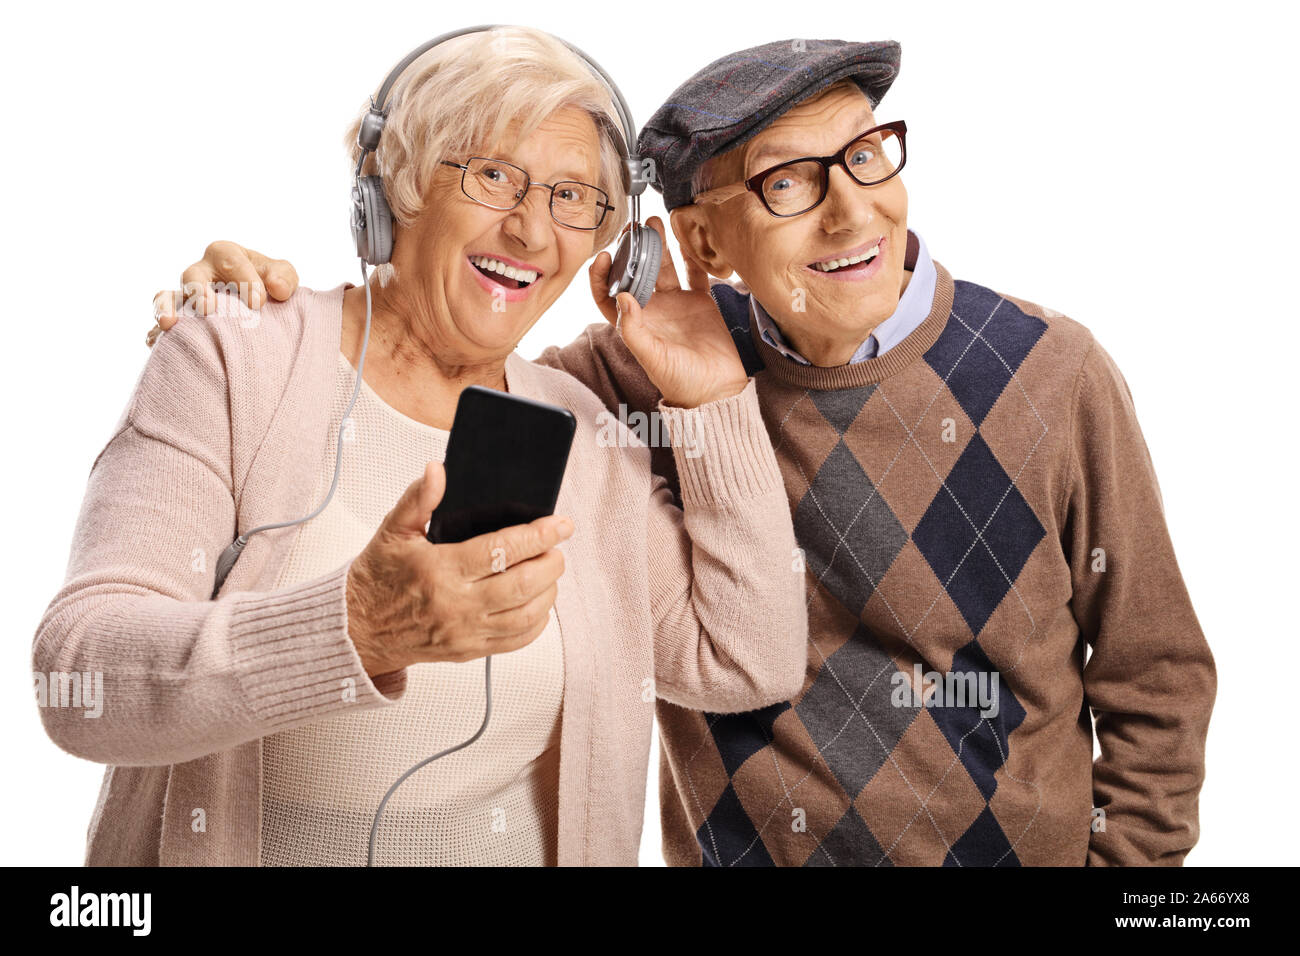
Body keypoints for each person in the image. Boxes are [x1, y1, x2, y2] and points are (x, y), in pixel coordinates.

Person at [151, 38, 1216, 866]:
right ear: (700, 244)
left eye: (865, 153)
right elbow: (443, 341)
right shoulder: (615, 389)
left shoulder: (1051, 370)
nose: (853, 204)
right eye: (790, 182)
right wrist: (243, 296)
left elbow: (1155, 674)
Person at [34, 25, 808, 868]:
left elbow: (747, 660)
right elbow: (81, 677)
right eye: (493, 175)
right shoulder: (234, 358)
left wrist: (714, 399)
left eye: (572, 197)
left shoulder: (583, 435)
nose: (532, 231)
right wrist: (356, 627)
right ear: (392, 185)